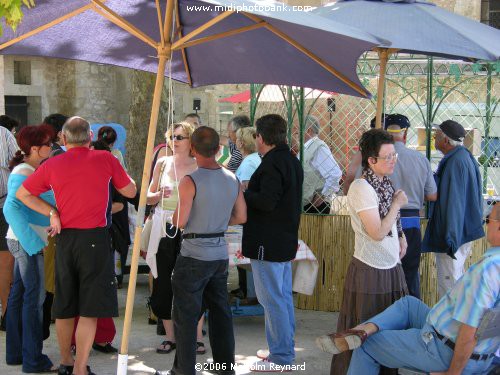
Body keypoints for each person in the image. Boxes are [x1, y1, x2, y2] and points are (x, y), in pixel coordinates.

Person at [15, 116, 137, 375]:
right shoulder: (106, 159)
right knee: (89, 308)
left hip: (65, 240)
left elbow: (23, 194)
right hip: (94, 238)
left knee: (65, 304)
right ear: (90, 137)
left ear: (63, 139)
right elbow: (130, 191)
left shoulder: (53, 164)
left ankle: (67, 362)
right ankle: (80, 367)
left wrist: (52, 212)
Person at [324, 201, 500, 375]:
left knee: (366, 346)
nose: (486, 224)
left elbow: (469, 333)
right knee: (409, 304)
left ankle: (362, 335)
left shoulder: (487, 270)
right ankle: (364, 329)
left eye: (488, 219)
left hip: (445, 350)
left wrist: (452, 373)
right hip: (478, 351)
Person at [154, 126, 246, 375]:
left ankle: (184, 371)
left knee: (185, 315)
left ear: (193, 149)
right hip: (218, 253)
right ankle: (224, 367)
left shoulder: (190, 180)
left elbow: (180, 221)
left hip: (194, 253)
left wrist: (185, 216)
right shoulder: (232, 178)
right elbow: (241, 216)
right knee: (220, 313)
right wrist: (215, 220)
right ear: (218, 149)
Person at [319, 129, 409, 375]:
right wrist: (397, 205)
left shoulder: (385, 183)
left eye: (394, 156)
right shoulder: (361, 187)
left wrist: (401, 235)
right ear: (371, 160)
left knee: (387, 332)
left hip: (390, 267)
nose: (393, 161)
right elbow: (377, 232)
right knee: (364, 332)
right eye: (387, 157)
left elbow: (390, 226)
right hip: (371, 269)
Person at [242, 114, 304, 372]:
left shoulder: (271, 164)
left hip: (267, 242)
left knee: (272, 300)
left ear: (260, 137)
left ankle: (281, 356)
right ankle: (282, 348)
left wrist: (245, 192)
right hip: (283, 239)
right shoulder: (290, 160)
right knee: (281, 298)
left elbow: (267, 201)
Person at [3, 124, 56, 372]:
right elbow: (10, 209)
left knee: (21, 298)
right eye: (48, 144)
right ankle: (33, 359)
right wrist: (32, 243)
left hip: (24, 241)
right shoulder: (25, 171)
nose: (52, 147)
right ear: (35, 149)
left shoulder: (27, 169)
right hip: (26, 242)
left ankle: (17, 354)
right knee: (33, 300)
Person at [146, 122, 198, 355]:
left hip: (191, 228)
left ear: (191, 141)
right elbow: (148, 196)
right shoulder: (162, 162)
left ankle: (196, 338)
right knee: (163, 281)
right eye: (172, 137)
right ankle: (170, 337)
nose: (175, 141)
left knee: (193, 283)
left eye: (180, 137)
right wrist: (157, 195)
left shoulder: (198, 166)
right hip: (164, 227)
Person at [422, 120, 484, 298]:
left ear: (446, 141)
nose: (434, 137)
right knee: (454, 281)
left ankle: (450, 325)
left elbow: (455, 202)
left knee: (449, 285)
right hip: (459, 231)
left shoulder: (455, 162)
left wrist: (451, 238)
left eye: (437, 135)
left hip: (453, 234)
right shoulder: (462, 156)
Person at [385, 114, 437, 298]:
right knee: (410, 273)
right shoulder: (420, 159)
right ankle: (411, 318)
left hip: (383, 222)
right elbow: (432, 195)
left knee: (384, 273)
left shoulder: (377, 158)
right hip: (411, 222)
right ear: (405, 134)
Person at [231, 126, 261, 300]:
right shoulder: (255, 159)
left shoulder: (250, 162)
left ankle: (249, 292)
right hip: (250, 216)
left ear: (241, 143)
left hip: (247, 216)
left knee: (246, 255)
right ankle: (247, 289)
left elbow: (246, 189)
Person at [302, 115, 342, 214]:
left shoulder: (318, 147)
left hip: (315, 205)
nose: (296, 133)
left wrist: (323, 195)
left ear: (309, 131)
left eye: (298, 130)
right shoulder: (307, 147)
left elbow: (335, 173)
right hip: (307, 202)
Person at [0, 124, 18, 331]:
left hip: (3, 207)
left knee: (6, 263)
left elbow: (16, 164)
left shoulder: (3, 133)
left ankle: (6, 314)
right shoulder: (4, 133)